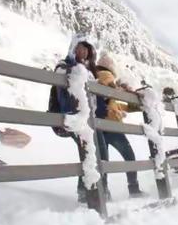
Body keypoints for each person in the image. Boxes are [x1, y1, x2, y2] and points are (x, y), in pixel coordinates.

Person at [55, 35, 109, 203]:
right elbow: (62, 73)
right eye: (79, 47)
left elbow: (99, 95)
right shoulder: (65, 65)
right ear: (73, 49)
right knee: (91, 150)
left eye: (86, 48)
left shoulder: (91, 72)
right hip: (74, 116)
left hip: (90, 119)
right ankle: (88, 192)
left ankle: (100, 189)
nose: (83, 51)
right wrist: (73, 62)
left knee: (99, 151)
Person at [95, 52, 145, 198]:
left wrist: (128, 95)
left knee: (102, 161)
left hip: (102, 126)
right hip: (111, 129)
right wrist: (125, 90)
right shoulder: (105, 74)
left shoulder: (111, 98)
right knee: (129, 157)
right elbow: (109, 84)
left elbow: (127, 107)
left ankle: (103, 192)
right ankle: (133, 188)